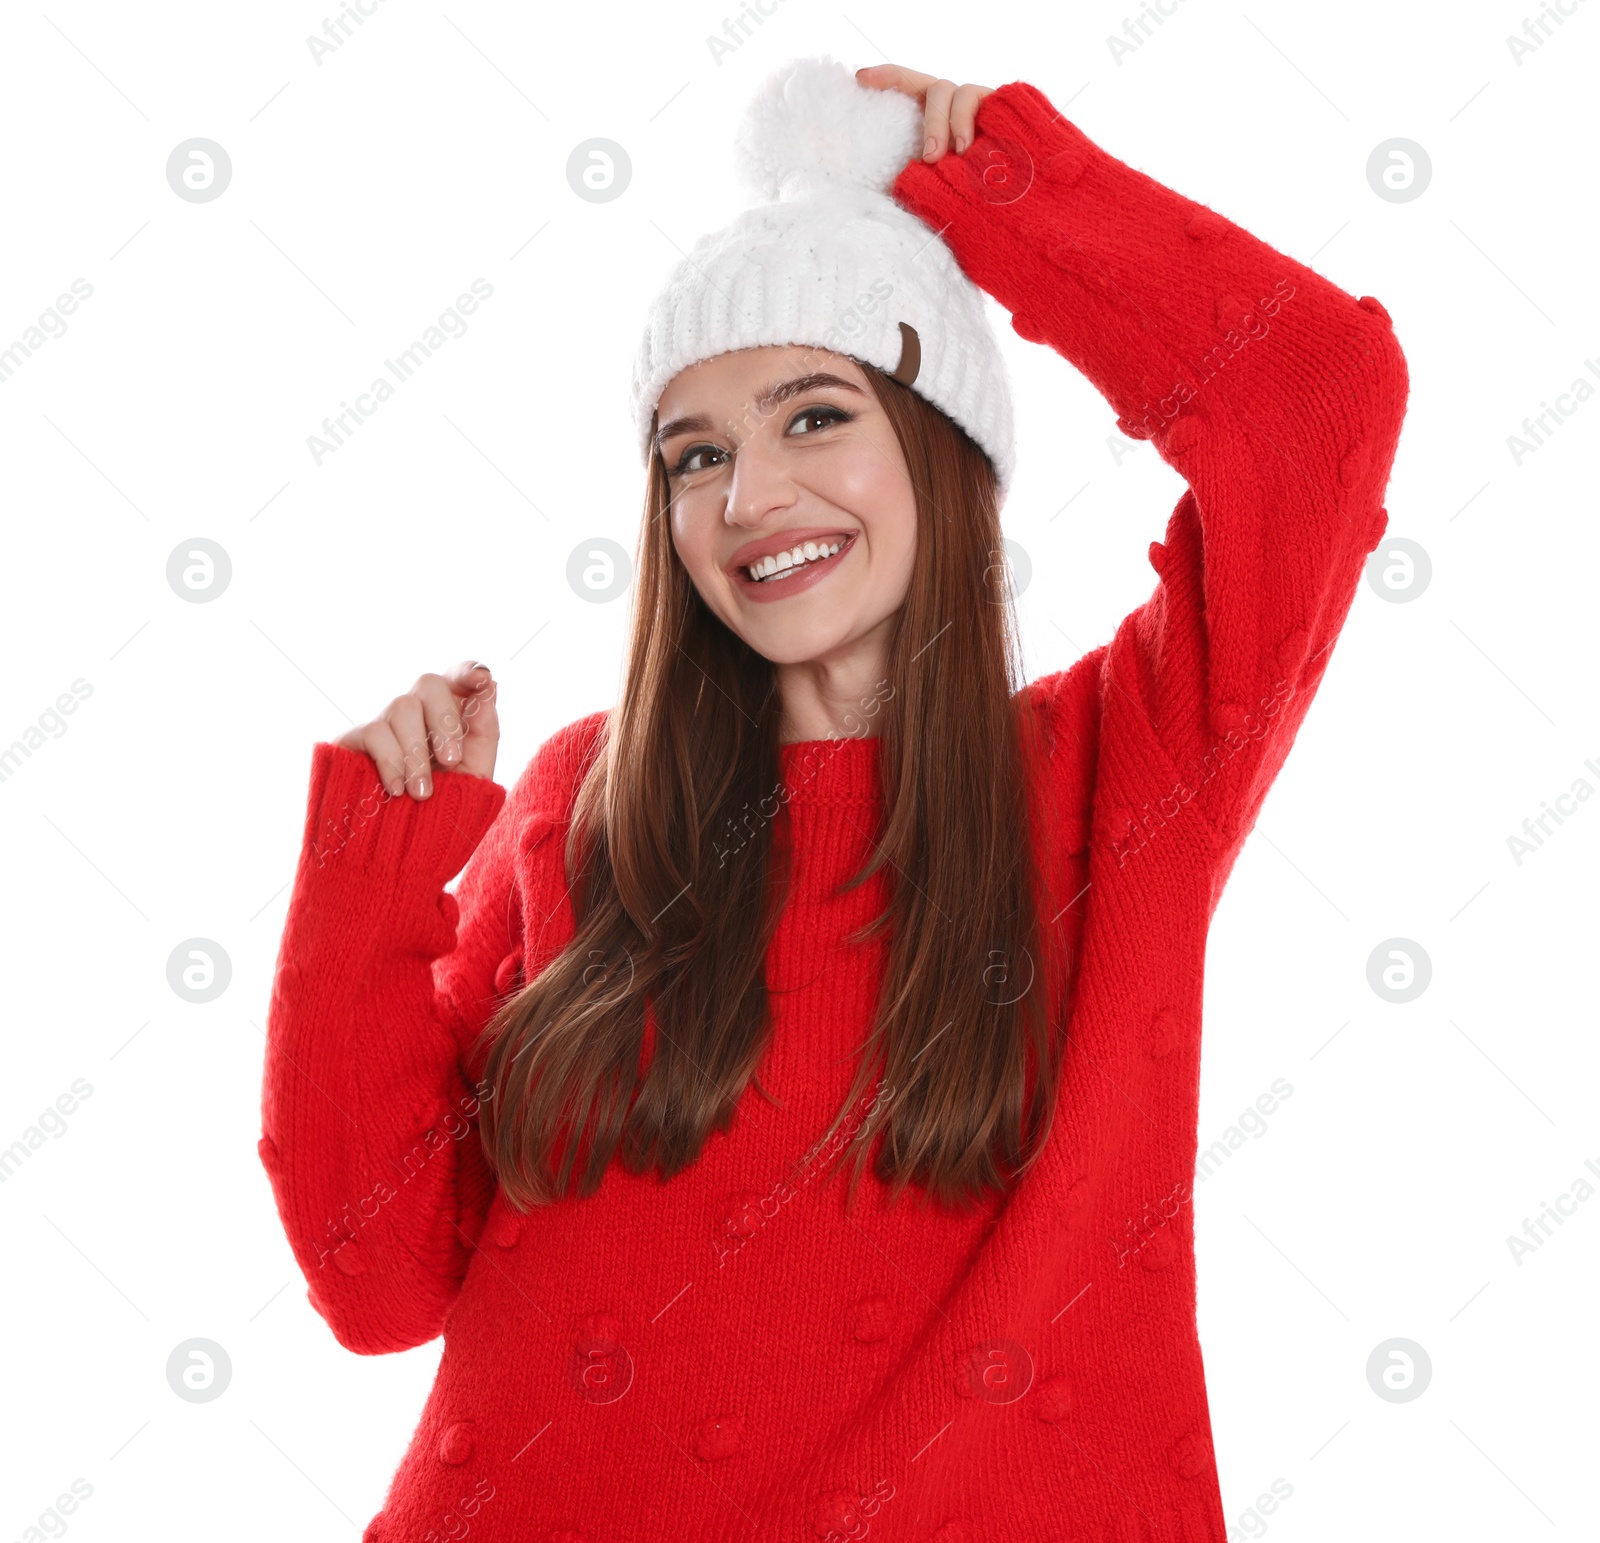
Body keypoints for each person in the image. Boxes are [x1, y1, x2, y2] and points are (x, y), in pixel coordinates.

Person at [259, 54, 1409, 1543]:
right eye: (695, 457)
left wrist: (1005, 195)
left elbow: (1313, 392)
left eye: (815, 417)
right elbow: (378, 1286)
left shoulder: (1117, 775)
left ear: (944, 452)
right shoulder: (582, 805)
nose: (746, 499)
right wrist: (368, 888)